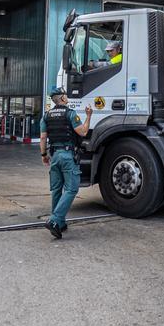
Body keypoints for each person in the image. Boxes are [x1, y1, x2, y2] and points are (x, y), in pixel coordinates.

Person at [39, 86, 92, 239]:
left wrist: (44, 155)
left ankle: (60, 223)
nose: (67, 96)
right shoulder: (70, 114)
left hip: (54, 156)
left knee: (56, 189)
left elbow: (43, 138)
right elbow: (82, 132)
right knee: (71, 189)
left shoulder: (46, 116)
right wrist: (88, 116)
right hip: (68, 156)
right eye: (65, 95)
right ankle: (55, 220)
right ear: (62, 98)